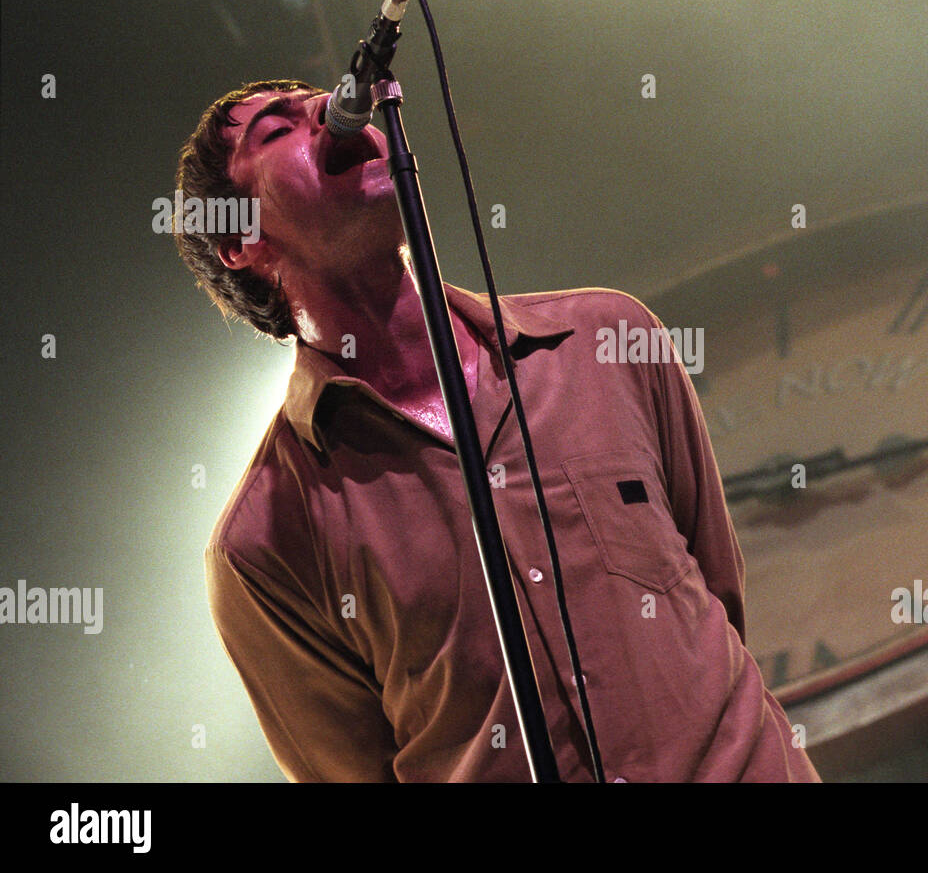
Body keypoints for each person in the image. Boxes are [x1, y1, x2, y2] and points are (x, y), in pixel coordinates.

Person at [171, 79, 821, 782]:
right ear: (239, 239)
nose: (332, 114)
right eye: (278, 128)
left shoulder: (608, 339)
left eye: (322, 98)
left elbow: (715, 598)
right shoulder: (265, 541)